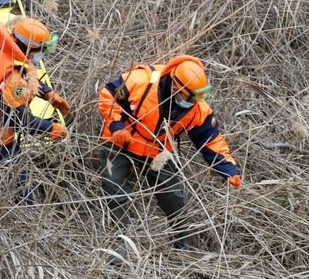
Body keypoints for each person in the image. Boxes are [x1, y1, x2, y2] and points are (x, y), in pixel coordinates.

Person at [98, 55, 241, 263]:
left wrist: (227, 168)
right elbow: (107, 95)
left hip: (158, 151)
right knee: (114, 188)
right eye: (189, 96)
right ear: (175, 86)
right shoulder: (141, 81)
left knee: (174, 198)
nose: (193, 101)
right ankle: (120, 244)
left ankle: (183, 250)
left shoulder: (197, 109)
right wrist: (116, 125)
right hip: (120, 142)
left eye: (197, 97)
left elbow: (210, 139)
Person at [0, 17, 70, 202]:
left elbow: (23, 72)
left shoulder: (2, 46)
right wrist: (51, 129)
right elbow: (21, 122)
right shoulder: (12, 80)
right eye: (41, 50)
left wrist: (48, 93)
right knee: (19, 175)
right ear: (29, 47)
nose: (42, 55)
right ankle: (28, 209)